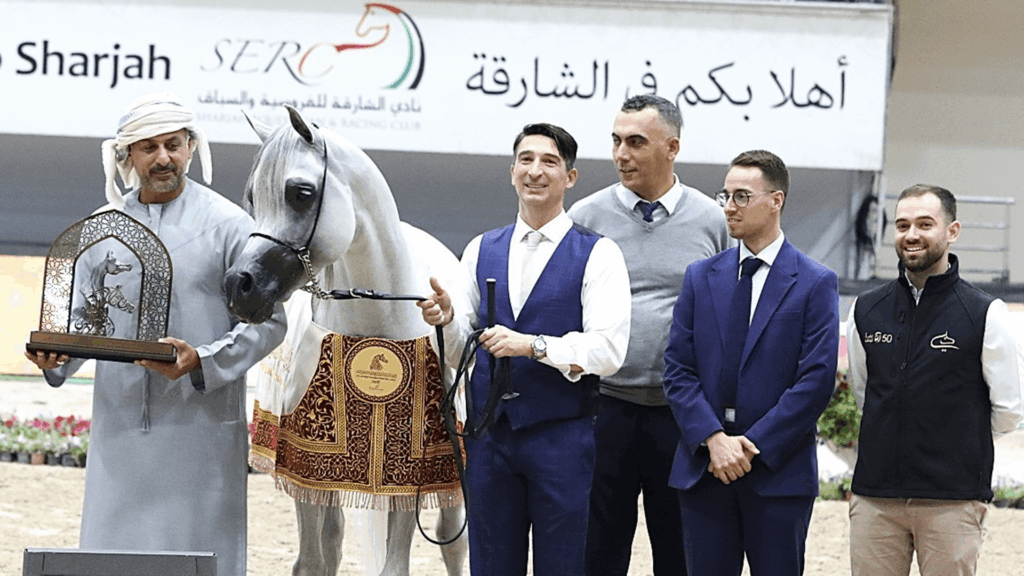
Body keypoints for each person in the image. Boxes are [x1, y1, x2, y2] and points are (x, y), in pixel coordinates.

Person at [24, 92, 286, 576]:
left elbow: (270, 322)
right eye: (148, 147)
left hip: (200, 426)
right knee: (111, 558)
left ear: (191, 147)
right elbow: (85, 321)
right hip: (118, 428)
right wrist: (60, 356)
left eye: (173, 143)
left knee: (200, 553)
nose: (163, 157)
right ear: (127, 158)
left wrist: (202, 361)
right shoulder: (102, 229)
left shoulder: (231, 226)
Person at [417, 123, 631, 576]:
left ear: (570, 178)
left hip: (563, 438)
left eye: (549, 161)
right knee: (492, 565)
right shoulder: (480, 249)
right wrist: (447, 321)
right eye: (527, 159)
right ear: (512, 170)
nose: (536, 170)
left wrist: (534, 347)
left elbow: (609, 349)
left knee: (565, 565)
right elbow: (462, 352)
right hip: (490, 439)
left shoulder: (599, 254)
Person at [567, 94, 730, 576]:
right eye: (616, 141)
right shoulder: (584, 218)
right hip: (603, 408)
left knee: (679, 551)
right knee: (599, 550)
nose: (622, 154)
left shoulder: (714, 222)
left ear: (672, 147)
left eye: (636, 142)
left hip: (680, 417)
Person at [663, 149, 838, 576]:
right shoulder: (700, 277)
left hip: (777, 475)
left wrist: (752, 444)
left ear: (775, 201)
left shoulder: (815, 282)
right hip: (705, 470)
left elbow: (815, 380)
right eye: (725, 194)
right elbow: (677, 368)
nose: (728, 206)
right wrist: (713, 439)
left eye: (742, 196)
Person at [845, 184, 1023, 576]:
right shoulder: (867, 309)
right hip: (876, 498)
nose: (912, 234)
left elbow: (1009, 410)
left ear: (952, 231)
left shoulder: (984, 312)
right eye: (903, 224)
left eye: (925, 224)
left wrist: (951, 441)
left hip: (952, 500)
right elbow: (865, 394)